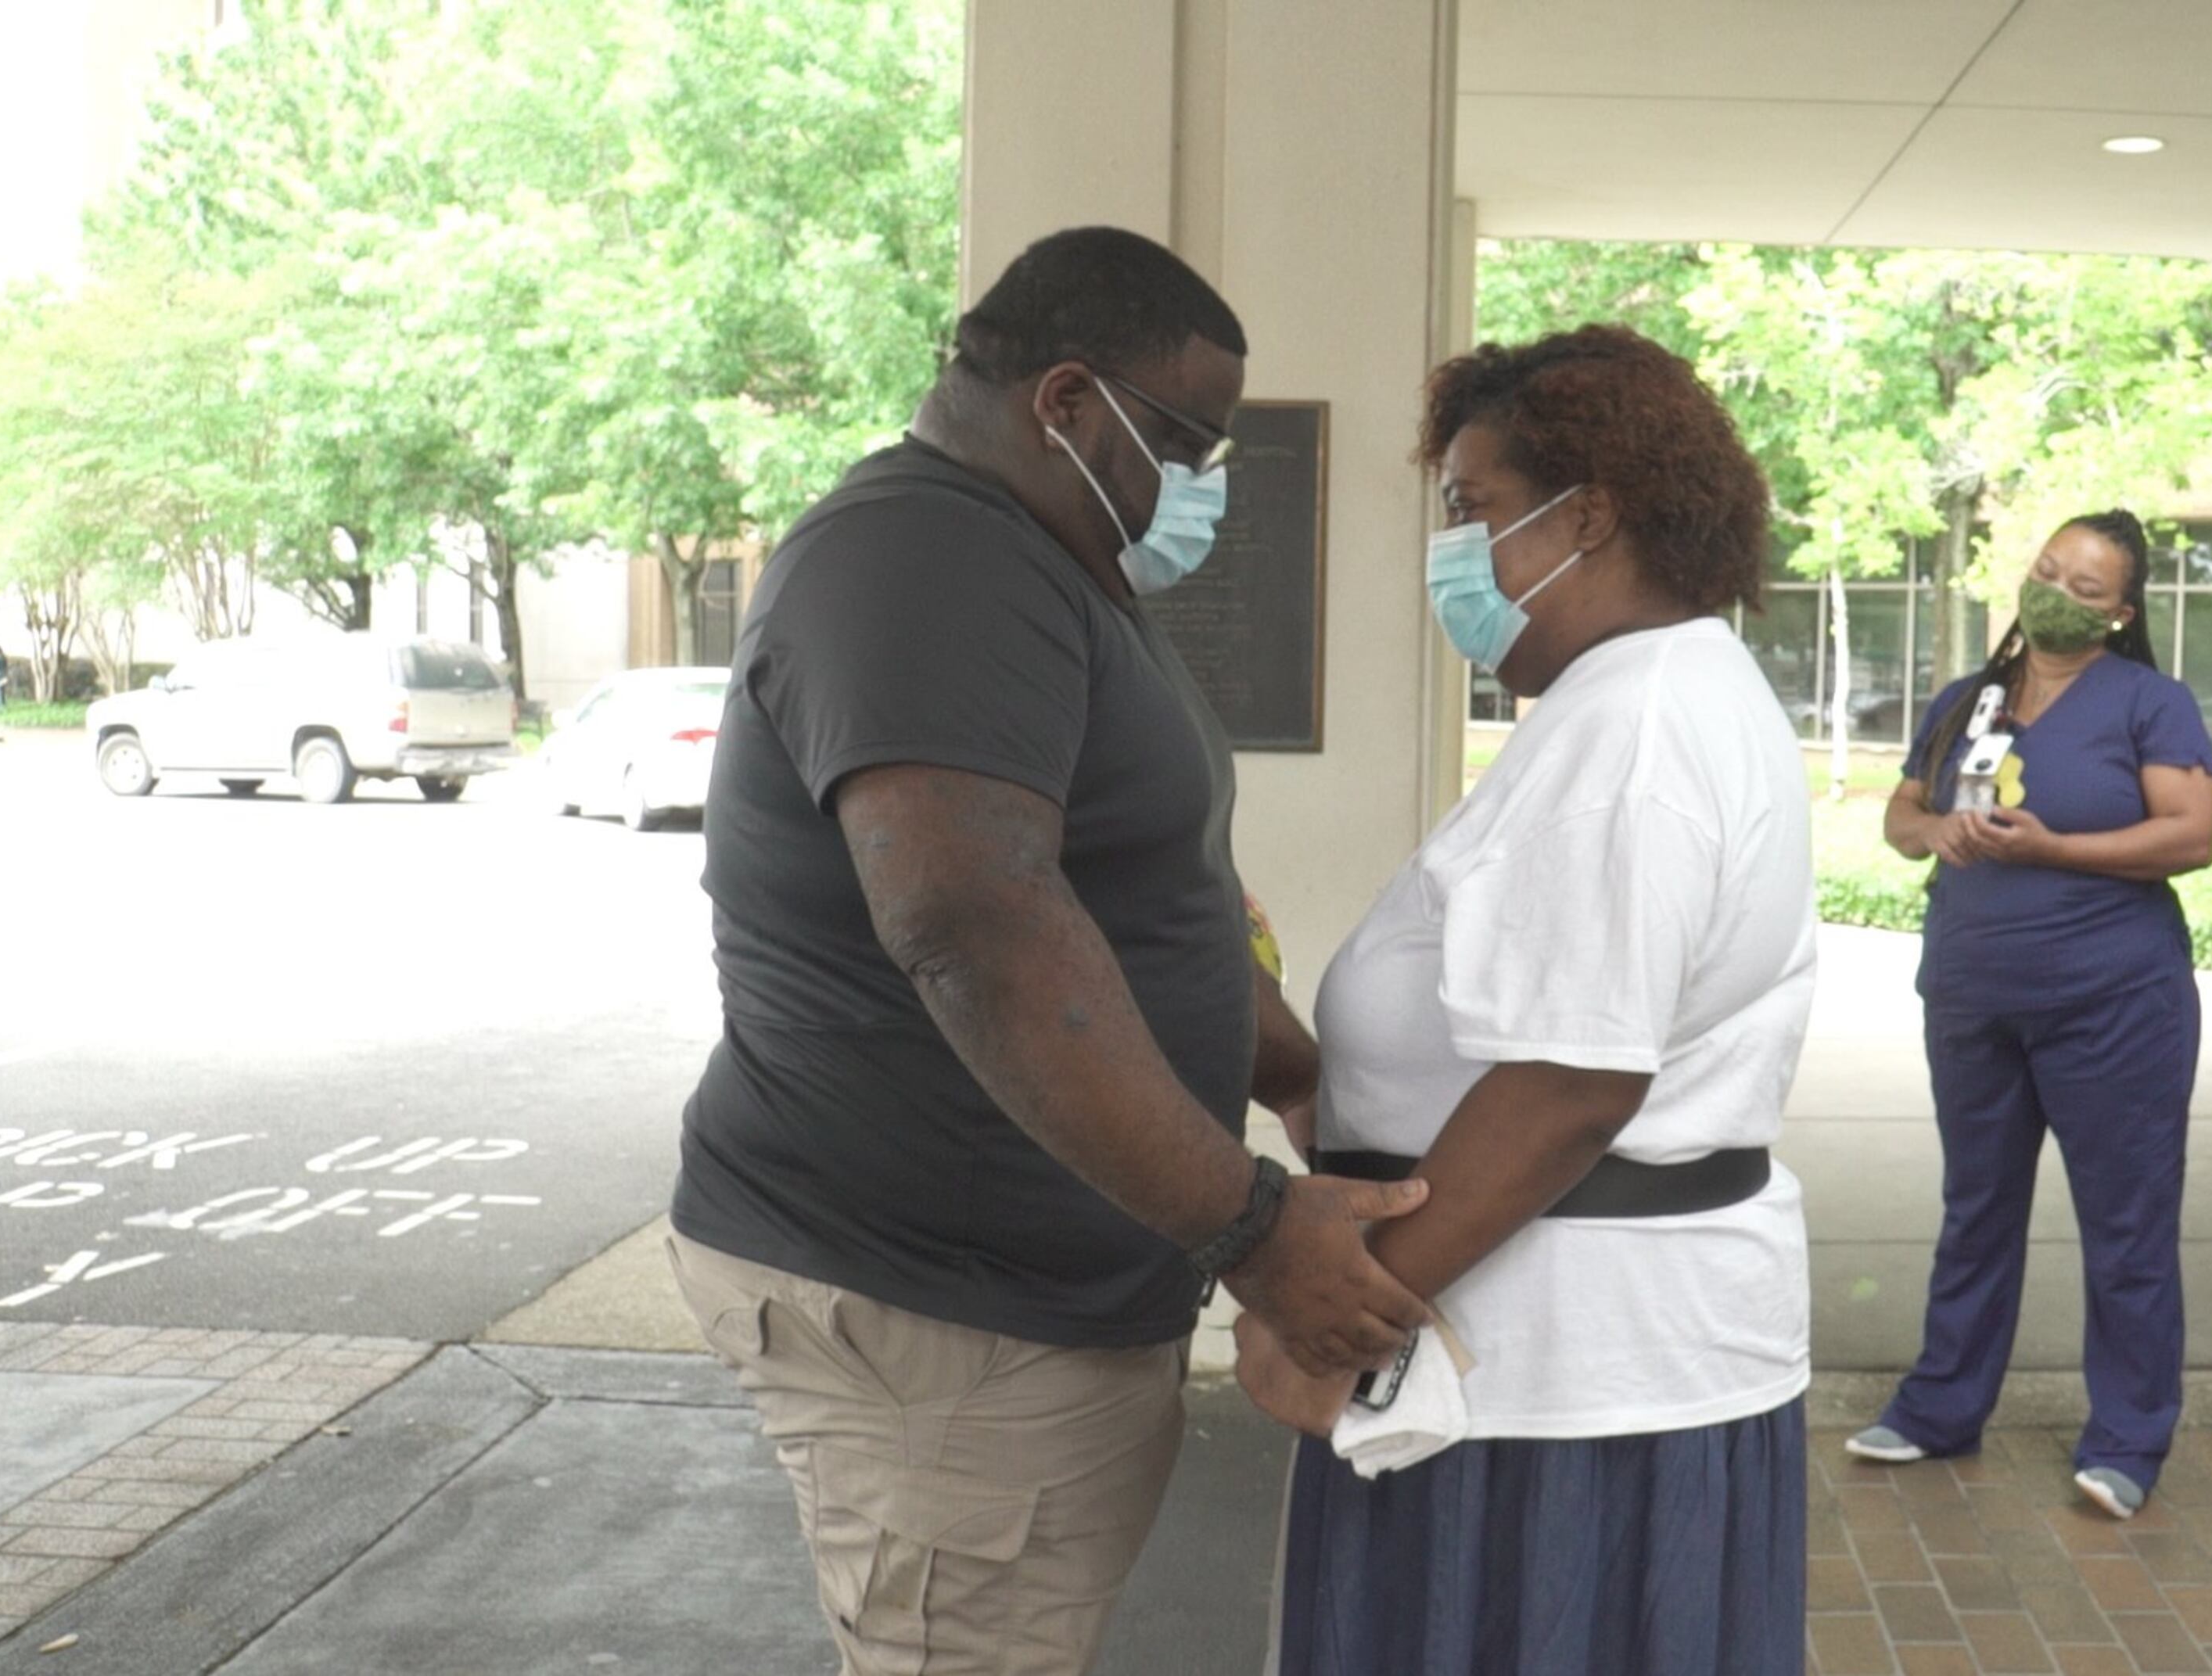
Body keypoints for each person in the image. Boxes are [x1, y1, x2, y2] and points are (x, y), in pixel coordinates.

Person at [666, 226, 1432, 1676]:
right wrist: (1256, 1230)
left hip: (1021, 1304)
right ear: (1068, 402)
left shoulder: (1035, 564)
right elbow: (973, 924)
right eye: (1187, 444)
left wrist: (1290, 1071)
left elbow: (1145, 890)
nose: (1199, 486)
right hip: (938, 1313)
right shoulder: (924, 555)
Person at [1235, 325, 1817, 1674]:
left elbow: (1571, 1082)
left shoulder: (1636, 730)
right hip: (1573, 1359)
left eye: (1474, 508)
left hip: (1563, 1389)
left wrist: (1333, 1318)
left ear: (1591, 515)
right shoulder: (1652, 693)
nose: (1455, 550)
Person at [1844, 511, 2212, 1520]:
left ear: (2120, 615)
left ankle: (2129, 1440)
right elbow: (1899, 816)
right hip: (1973, 996)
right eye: (2049, 569)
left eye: (2087, 587)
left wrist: (2053, 849)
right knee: (1976, 1209)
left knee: (2126, 1225)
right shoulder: (1970, 700)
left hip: (2114, 1005)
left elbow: (2191, 838)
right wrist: (1937, 831)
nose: (2057, 589)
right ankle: (1940, 1408)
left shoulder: (2151, 701)